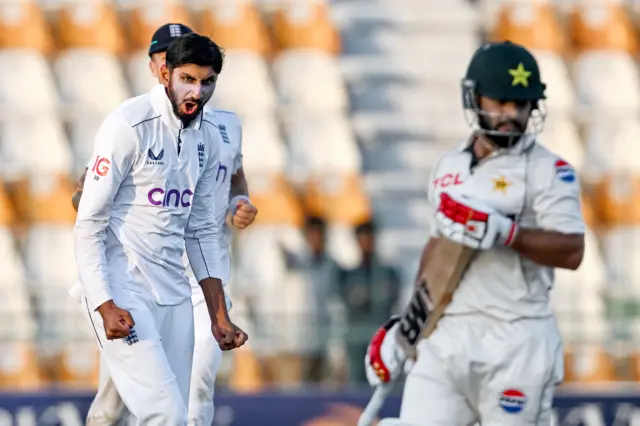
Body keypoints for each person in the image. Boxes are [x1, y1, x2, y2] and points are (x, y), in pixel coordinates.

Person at [365, 41, 585, 425]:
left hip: (517, 338)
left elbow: (572, 251)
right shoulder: (449, 164)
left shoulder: (551, 170)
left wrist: (506, 233)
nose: (511, 114)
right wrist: (408, 329)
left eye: (521, 104)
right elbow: (438, 249)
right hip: (449, 335)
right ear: (474, 97)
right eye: (500, 102)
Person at [70, 24, 258, 426]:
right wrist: (104, 302)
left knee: (177, 407)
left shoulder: (209, 134)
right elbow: (88, 222)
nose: (197, 92)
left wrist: (218, 315)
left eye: (207, 83)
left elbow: (203, 231)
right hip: (124, 288)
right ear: (163, 73)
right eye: (187, 79)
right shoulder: (128, 124)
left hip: (176, 294)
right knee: (166, 414)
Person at [337, 220, 399, 385]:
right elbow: (348, 300)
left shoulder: (387, 273)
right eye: (362, 238)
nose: (366, 243)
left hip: (381, 336)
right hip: (357, 337)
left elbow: (390, 297)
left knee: (383, 381)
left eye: (369, 238)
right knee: (358, 382)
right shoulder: (348, 274)